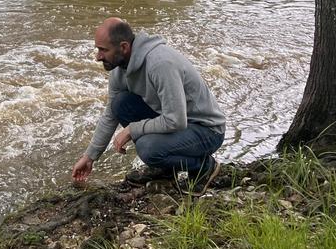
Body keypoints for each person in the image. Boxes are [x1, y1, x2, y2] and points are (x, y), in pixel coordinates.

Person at [71, 17, 225, 193]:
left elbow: (176, 120)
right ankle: (167, 170)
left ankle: (204, 167)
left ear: (123, 47)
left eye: (103, 50)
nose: (98, 57)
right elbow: (110, 115)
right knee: (120, 104)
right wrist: (89, 156)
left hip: (207, 130)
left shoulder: (160, 64)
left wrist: (132, 129)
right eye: (98, 49)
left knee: (148, 148)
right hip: (179, 124)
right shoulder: (119, 68)